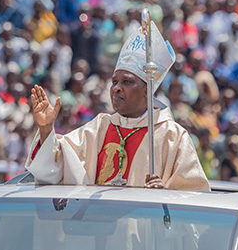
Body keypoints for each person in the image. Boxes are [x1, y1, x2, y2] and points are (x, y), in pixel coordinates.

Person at [26, 21, 209, 190]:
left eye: (127, 82)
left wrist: (165, 193)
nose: (116, 89)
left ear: (148, 90)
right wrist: (46, 128)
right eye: (114, 82)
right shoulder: (99, 127)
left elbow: (194, 196)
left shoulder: (172, 136)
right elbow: (55, 169)